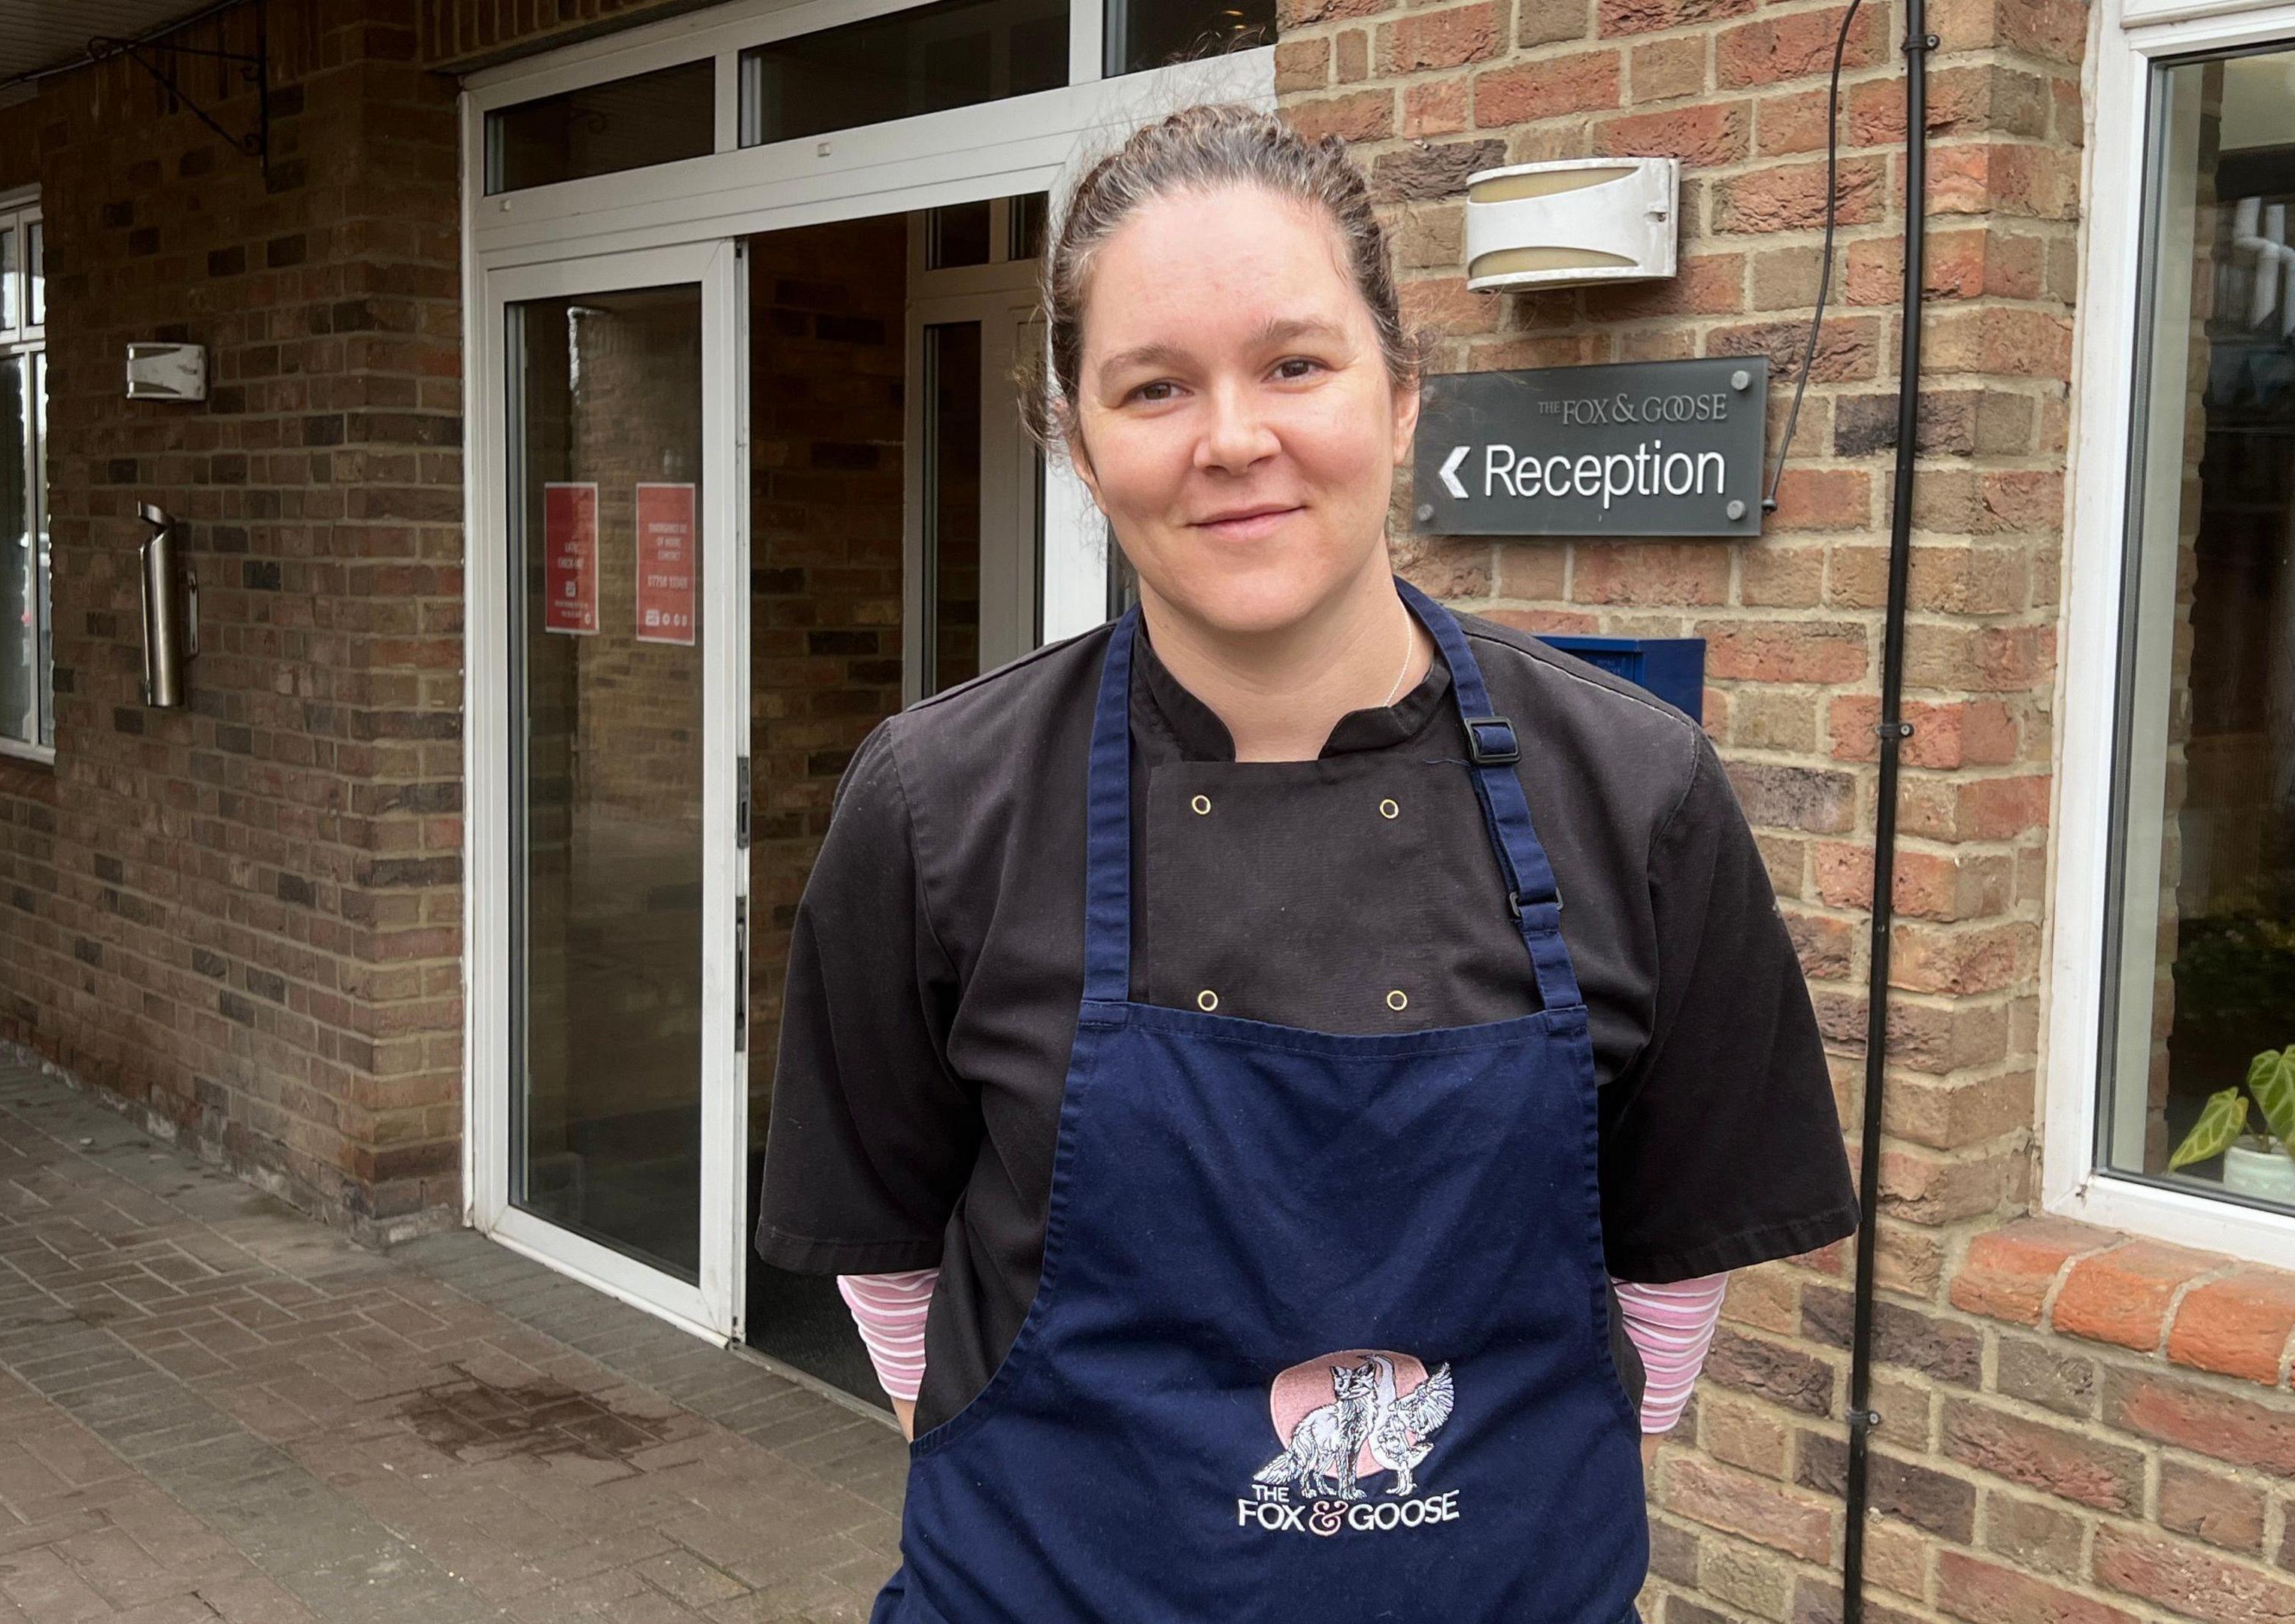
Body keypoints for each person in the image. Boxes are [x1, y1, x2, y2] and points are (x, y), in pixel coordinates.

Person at [755, 102, 1857, 1623]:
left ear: (1402, 394)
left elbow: (1673, 1271)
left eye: (1294, 363)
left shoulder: (1635, 791)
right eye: (1154, 387)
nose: (1232, 439)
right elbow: (888, 1268)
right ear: (1078, 440)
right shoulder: (940, 803)